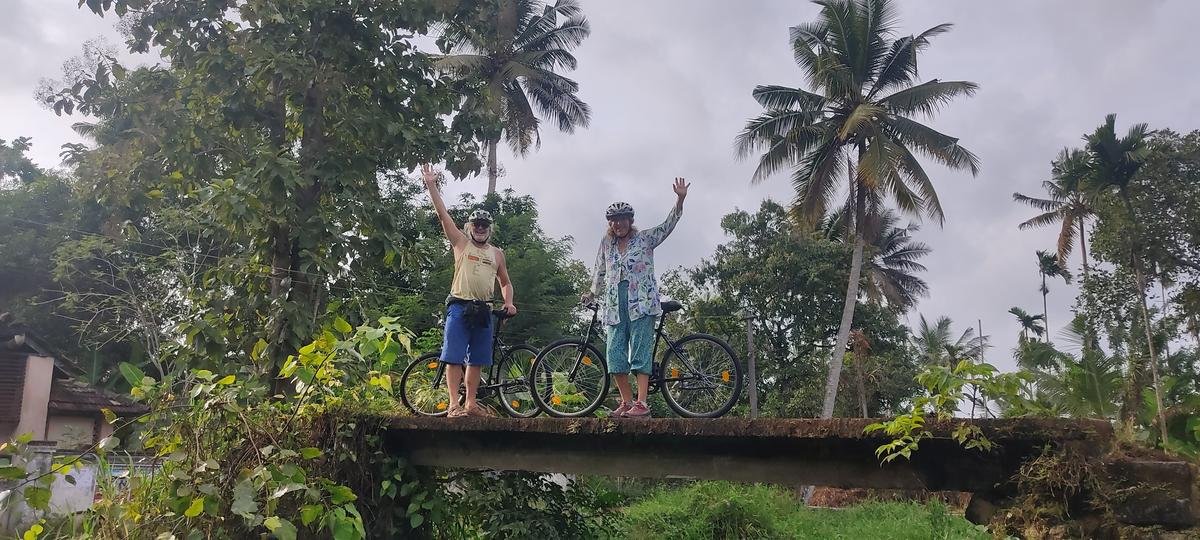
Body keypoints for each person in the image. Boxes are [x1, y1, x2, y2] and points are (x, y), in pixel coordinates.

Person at [582, 177, 689, 418]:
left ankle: (641, 403)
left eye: (623, 219)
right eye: (614, 220)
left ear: (630, 221)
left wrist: (680, 199)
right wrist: (591, 293)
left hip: (641, 302)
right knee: (614, 353)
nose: (618, 224)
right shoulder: (607, 243)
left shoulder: (644, 239)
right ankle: (626, 401)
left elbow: (667, 225)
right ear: (610, 223)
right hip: (614, 304)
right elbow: (599, 269)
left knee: (640, 351)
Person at [422, 164, 517, 418]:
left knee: (477, 359)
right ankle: (453, 404)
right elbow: (443, 215)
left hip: (484, 309)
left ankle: (471, 404)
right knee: (453, 356)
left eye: (484, 225)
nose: (480, 228)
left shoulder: (497, 253)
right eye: (476, 224)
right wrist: (431, 185)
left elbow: (505, 282)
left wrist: (509, 302)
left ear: (490, 228)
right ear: (470, 226)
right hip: (460, 305)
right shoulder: (461, 243)